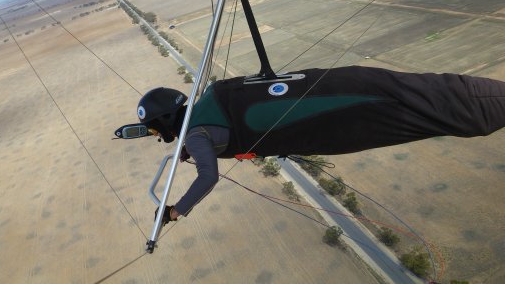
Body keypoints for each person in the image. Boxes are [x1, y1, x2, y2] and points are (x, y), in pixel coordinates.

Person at [132, 66, 505, 225]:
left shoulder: (197, 134)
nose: (157, 135)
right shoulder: (212, 100)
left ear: (164, 122)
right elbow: (219, 133)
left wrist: (177, 210)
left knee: (432, 110)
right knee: (423, 92)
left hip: (337, 119)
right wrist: (200, 146)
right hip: (340, 83)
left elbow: (208, 176)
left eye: (154, 130)